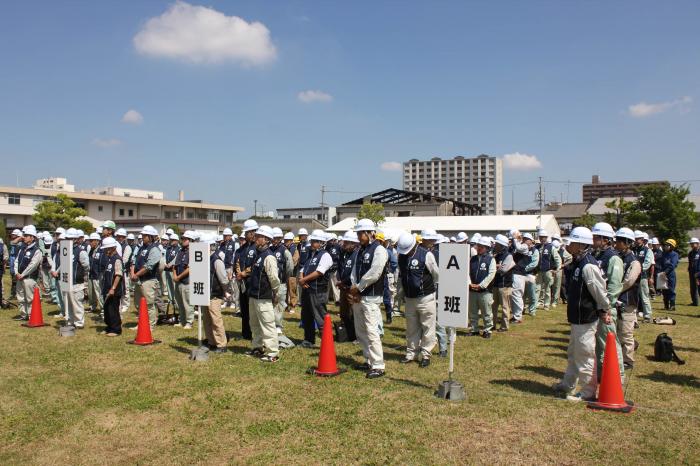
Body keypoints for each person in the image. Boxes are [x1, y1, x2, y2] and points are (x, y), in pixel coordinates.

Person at [553, 227, 611, 402]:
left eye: (572, 242)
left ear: (580, 245)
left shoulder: (588, 265)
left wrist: (604, 309)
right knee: (573, 353)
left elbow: (599, 291)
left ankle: (588, 392)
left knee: (585, 354)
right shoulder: (579, 262)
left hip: (586, 317)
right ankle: (568, 384)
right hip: (577, 317)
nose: (568, 245)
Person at [349, 219, 388, 379]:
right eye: (358, 233)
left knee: (372, 331)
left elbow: (375, 272)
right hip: (359, 296)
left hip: (371, 296)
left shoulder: (379, 250)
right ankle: (368, 360)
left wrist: (359, 287)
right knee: (361, 330)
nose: (359, 236)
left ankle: (378, 365)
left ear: (370, 233)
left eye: (361, 233)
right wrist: (354, 287)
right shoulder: (359, 250)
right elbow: (354, 271)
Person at [397, 232, 438, 366]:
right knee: (411, 328)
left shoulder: (426, 254)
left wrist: (431, 289)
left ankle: (426, 354)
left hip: (425, 297)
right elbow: (401, 276)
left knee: (428, 327)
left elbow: (436, 274)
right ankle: (411, 353)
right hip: (410, 298)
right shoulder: (401, 256)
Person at [591, 222, 625, 379]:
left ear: (605, 239)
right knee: (599, 345)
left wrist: (605, 306)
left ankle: (617, 376)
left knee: (610, 343)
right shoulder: (597, 256)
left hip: (606, 308)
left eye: (596, 237)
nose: (593, 240)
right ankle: (602, 375)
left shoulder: (613, 258)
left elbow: (614, 287)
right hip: (597, 306)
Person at [246, 226, 281, 362]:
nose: (255, 238)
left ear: (266, 240)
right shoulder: (258, 254)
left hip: (263, 296)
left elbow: (274, 278)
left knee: (268, 324)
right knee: (254, 324)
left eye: (258, 236)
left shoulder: (269, 257)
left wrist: (275, 293)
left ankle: (273, 353)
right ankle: (257, 347)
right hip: (254, 295)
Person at [298, 230, 333, 347]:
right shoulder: (311, 254)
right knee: (306, 316)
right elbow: (303, 269)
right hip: (307, 290)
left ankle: (326, 344)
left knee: (320, 316)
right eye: (312, 241)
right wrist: (301, 279)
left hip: (318, 291)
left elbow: (319, 272)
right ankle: (308, 340)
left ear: (322, 242)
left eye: (315, 241)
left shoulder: (325, 255)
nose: (312, 243)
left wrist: (304, 280)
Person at [614, 228, 641, 369]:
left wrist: (614, 290)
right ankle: (620, 356)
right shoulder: (618, 257)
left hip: (628, 300)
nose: (616, 243)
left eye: (619, 241)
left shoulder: (634, 261)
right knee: (618, 331)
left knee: (625, 332)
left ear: (627, 243)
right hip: (617, 299)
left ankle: (628, 360)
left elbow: (629, 281)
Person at [201, 234, 229, 353]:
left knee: (216, 320)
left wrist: (224, 291)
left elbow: (223, 279)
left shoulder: (216, 260)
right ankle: (211, 341)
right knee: (206, 320)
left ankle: (221, 344)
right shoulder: (202, 259)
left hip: (214, 295)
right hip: (204, 293)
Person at [131, 225, 162, 328]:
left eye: (145, 235)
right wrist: (133, 273)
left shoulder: (155, 249)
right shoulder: (141, 248)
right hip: (139, 279)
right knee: (138, 304)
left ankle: (150, 325)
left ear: (151, 237)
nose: (143, 237)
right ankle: (141, 323)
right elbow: (134, 261)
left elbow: (149, 266)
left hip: (148, 280)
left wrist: (136, 274)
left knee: (149, 304)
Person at [235, 219, 259, 340]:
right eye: (246, 233)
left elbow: (257, 264)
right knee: (244, 309)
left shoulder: (258, 248)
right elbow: (237, 260)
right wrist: (239, 273)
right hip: (242, 283)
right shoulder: (242, 248)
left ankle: (254, 333)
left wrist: (245, 272)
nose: (245, 235)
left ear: (253, 232)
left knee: (253, 310)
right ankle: (245, 333)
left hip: (253, 283)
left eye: (248, 233)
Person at [468, 236, 496, 338]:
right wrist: (470, 283)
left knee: (487, 312)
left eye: (482, 246)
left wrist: (481, 286)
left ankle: (487, 330)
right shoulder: (472, 259)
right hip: (472, 290)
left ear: (487, 247)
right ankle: (474, 329)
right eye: (478, 245)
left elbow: (491, 274)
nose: (479, 248)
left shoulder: (491, 259)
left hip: (485, 291)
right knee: (472, 311)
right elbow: (467, 272)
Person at [13, 225, 43, 321]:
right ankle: (23, 315)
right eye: (24, 235)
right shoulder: (22, 248)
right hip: (19, 277)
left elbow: (33, 265)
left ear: (32, 237)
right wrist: (16, 272)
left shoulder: (37, 250)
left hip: (29, 278)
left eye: (26, 235)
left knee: (30, 298)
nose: (24, 237)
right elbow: (17, 261)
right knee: (20, 297)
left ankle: (31, 315)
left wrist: (23, 274)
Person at [65, 228, 90, 329]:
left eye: (70, 238)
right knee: (69, 303)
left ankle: (79, 323)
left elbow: (87, 266)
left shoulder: (80, 251)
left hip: (77, 281)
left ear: (75, 239)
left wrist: (81, 275)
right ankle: (70, 321)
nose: (68, 240)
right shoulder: (65, 250)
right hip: (67, 280)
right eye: (67, 238)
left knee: (77, 303)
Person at [337, 230, 359, 342]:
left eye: (346, 242)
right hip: (343, 287)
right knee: (344, 313)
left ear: (353, 243)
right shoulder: (344, 253)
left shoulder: (357, 254)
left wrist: (343, 281)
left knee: (354, 313)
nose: (343, 244)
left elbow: (353, 273)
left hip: (352, 288)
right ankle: (349, 334)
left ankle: (356, 336)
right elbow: (341, 269)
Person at [172, 231, 197, 329]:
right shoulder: (181, 251)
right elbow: (174, 265)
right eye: (182, 238)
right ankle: (182, 320)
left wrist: (178, 277)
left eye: (185, 239)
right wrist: (175, 275)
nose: (182, 240)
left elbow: (190, 269)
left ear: (190, 240)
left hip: (187, 281)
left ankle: (189, 322)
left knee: (188, 302)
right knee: (179, 303)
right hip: (178, 281)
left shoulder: (193, 251)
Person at [271, 227, 293, 335]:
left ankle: (278, 325)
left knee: (279, 303)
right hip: (269, 282)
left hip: (281, 282)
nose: (274, 240)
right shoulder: (269, 250)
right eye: (273, 238)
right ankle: (271, 323)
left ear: (280, 239)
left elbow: (289, 267)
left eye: (277, 238)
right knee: (270, 303)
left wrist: (284, 278)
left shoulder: (285, 251)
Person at [100, 237, 124, 336]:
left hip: (115, 289)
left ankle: (116, 329)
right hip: (107, 287)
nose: (105, 251)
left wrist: (113, 288)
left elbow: (118, 275)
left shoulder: (117, 259)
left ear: (112, 248)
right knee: (106, 308)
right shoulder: (109, 258)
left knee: (113, 309)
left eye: (106, 249)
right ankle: (109, 327)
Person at [492, 234, 514, 332]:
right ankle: (492, 324)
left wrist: (494, 267)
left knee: (505, 307)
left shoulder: (508, 256)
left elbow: (504, 269)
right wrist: (497, 266)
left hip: (505, 285)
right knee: (493, 306)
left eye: (496, 243)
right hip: (496, 284)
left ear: (501, 245)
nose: (494, 245)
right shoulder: (496, 255)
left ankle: (504, 326)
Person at [536, 229, 561, 310]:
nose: (542, 238)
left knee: (547, 289)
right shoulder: (537, 247)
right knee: (537, 288)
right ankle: (536, 304)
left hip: (548, 271)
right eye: (541, 237)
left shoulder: (551, 247)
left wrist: (557, 268)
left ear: (546, 238)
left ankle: (546, 305)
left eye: (544, 237)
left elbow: (557, 259)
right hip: (539, 271)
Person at [634, 231, 654, 318]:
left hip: (642, 276)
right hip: (633, 277)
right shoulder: (633, 249)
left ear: (642, 240)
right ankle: (634, 314)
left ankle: (647, 315)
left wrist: (637, 270)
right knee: (634, 296)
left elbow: (647, 263)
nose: (636, 241)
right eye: (635, 239)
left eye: (638, 239)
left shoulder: (647, 250)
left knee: (644, 296)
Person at [659, 239, 680, 310]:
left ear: (671, 246)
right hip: (662, 273)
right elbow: (660, 263)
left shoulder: (675, 254)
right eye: (665, 245)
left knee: (671, 290)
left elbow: (672, 265)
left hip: (670, 275)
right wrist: (661, 272)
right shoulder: (663, 254)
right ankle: (666, 305)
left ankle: (672, 306)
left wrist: (665, 272)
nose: (665, 246)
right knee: (664, 290)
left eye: (667, 245)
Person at [87, 232, 103, 314]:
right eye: (90, 241)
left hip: (97, 275)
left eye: (92, 240)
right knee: (91, 293)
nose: (90, 242)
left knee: (98, 293)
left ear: (97, 241)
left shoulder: (101, 251)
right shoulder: (91, 250)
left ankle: (102, 309)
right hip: (91, 274)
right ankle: (93, 307)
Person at [283, 232, 298, 313]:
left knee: (292, 291)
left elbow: (294, 262)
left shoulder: (295, 250)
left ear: (291, 241)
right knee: (284, 291)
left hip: (292, 274)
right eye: (285, 240)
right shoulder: (284, 249)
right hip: (284, 274)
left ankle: (292, 306)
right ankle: (285, 306)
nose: (286, 242)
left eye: (287, 240)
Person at [687, 238, 700, 306]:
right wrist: (689, 269)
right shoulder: (691, 253)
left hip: (699, 274)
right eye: (691, 244)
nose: (692, 245)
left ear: (698, 244)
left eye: (693, 244)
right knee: (693, 288)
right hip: (692, 273)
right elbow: (690, 263)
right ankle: (695, 302)